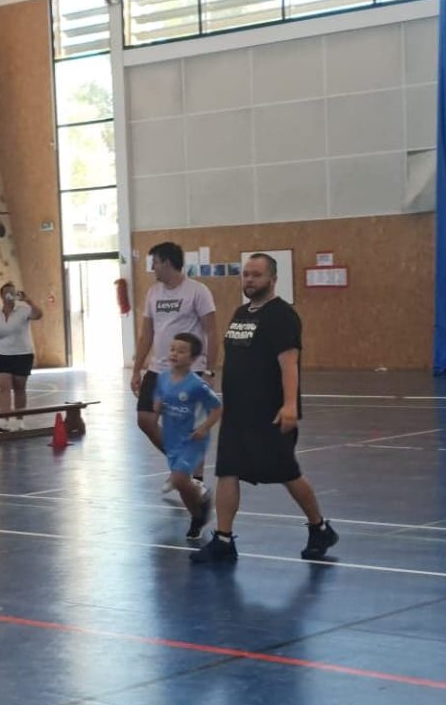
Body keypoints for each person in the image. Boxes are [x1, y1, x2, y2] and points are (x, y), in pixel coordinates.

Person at [192, 254, 338, 565]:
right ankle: (223, 540)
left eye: (256, 275)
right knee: (227, 470)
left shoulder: (282, 316)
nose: (249, 280)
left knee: (287, 473)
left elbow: (289, 363)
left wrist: (289, 405)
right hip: (237, 413)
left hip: (269, 413)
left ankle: (320, 528)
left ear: (273, 279)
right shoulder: (240, 313)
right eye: (246, 274)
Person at [131, 242, 217, 498]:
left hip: (190, 370)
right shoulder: (153, 293)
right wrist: (137, 369)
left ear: (167, 263)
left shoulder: (198, 291)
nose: (153, 268)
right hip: (158, 369)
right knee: (145, 420)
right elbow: (146, 333)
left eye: (155, 263)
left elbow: (212, 332)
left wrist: (210, 371)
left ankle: (196, 481)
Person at [151, 333, 223, 541]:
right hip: (172, 439)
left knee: (179, 479)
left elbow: (217, 408)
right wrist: (157, 407)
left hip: (193, 440)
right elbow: (158, 400)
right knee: (182, 486)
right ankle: (198, 515)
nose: (174, 354)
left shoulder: (197, 385)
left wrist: (204, 428)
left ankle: (202, 499)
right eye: (172, 349)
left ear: (193, 359)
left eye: (181, 351)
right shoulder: (163, 378)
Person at [0, 281, 43, 431]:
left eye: (13, 291)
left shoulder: (24, 310)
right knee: (4, 388)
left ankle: (19, 421)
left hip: (23, 355)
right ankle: (4, 421)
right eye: (7, 292)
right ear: (2, 296)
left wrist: (29, 301)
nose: (10, 294)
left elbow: (39, 315)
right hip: (3, 356)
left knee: (19, 388)